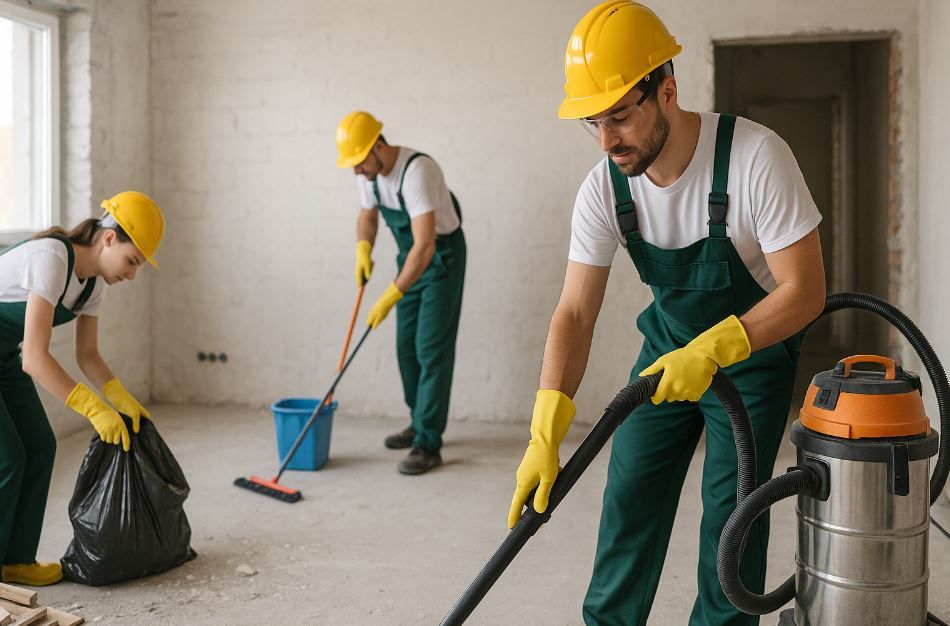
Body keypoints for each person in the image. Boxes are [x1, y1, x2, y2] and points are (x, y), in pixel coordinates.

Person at [507, 3, 826, 623]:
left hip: (751, 359)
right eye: (594, 122)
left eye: (620, 116)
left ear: (667, 92)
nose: (607, 141)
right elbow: (575, 311)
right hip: (666, 350)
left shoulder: (756, 158)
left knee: (732, 519)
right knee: (629, 493)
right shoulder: (605, 188)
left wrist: (713, 350)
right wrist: (545, 428)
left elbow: (805, 292)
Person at [0, 191, 164, 586]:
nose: (131, 274)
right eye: (131, 260)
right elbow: (35, 357)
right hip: (17, 355)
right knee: (8, 458)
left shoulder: (93, 287)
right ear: (109, 238)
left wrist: (118, 396)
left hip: (3, 355)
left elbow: (87, 354)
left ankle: (16, 560)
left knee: (40, 445)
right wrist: (92, 408)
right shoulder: (52, 257)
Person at [336, 111, 466, 475]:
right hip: (411, 261)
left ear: (378, 145)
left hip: (440, 259)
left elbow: (425, 245)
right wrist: (363, 248)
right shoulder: (370, 174)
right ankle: (418, 419)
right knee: (406, 348)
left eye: (360, 161)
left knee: (431, 349)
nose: (357, 170)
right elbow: (367, 216)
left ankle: (428, 442)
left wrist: (391, 294)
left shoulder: (417, 171)